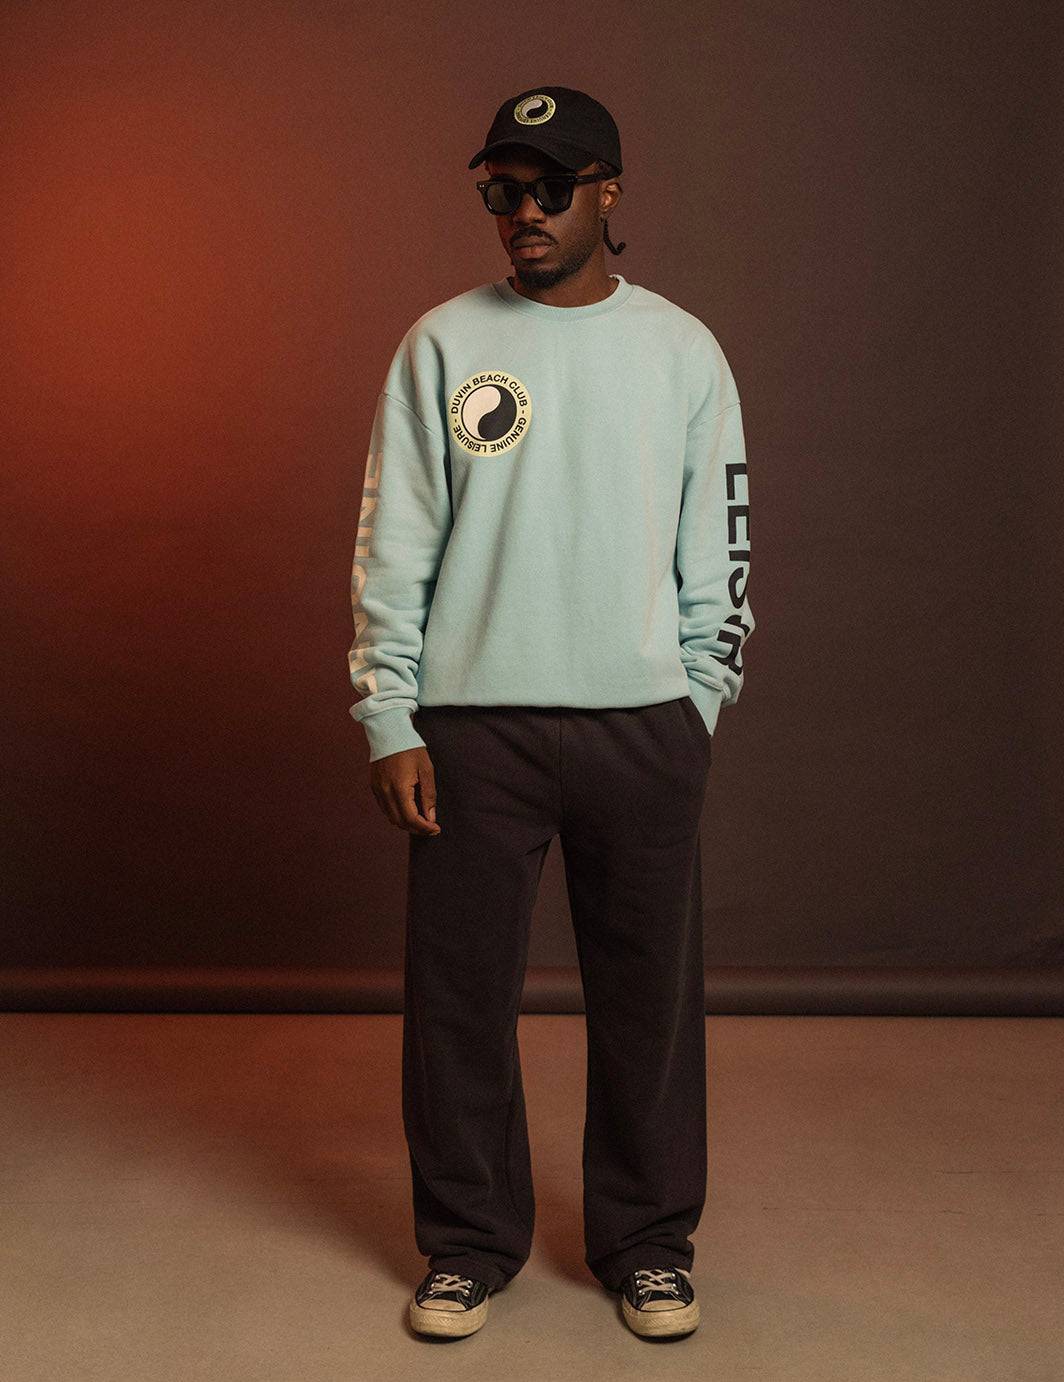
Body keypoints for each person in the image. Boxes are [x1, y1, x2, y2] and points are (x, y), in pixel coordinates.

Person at [347, 85, 753, 1340]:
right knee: (456, 1003)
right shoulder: (440, 343)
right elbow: (393, 542)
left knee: (648, 1003)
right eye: (500, 189)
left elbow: (721, 543)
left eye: (549, 188)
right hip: (473, 730)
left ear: (607, 192)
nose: (522, 211)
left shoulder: (680, 350)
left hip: (642, 725)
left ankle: (648, 1244)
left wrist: (697, 699)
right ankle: (468, 1242)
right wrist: (390, 712)